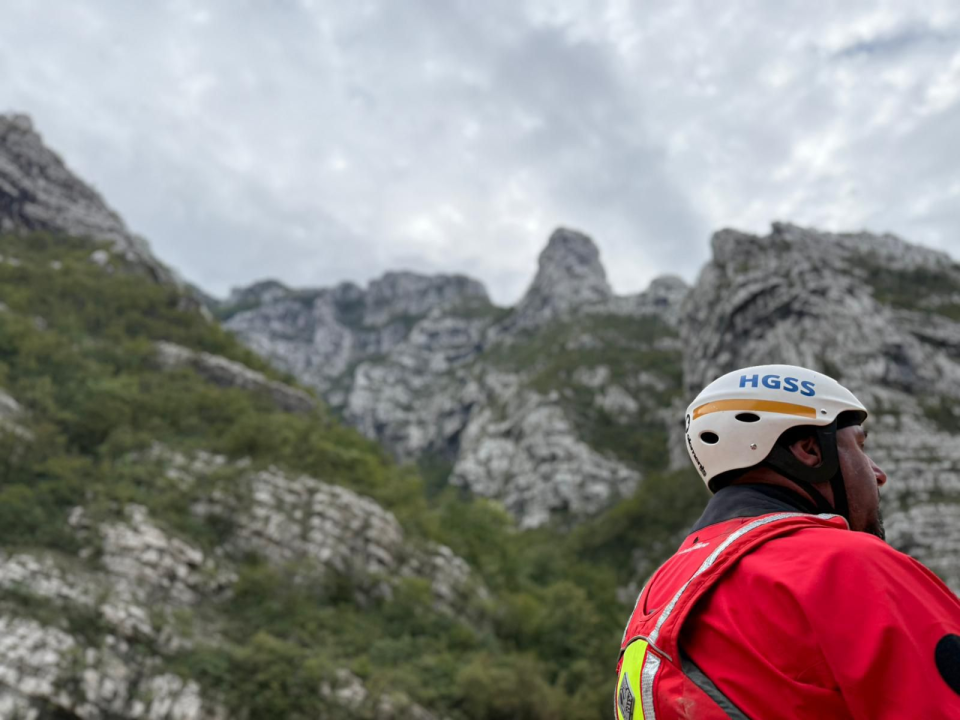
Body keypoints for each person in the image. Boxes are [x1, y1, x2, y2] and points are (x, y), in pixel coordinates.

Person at [614, 364, 960, 720]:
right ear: (810, 450)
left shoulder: (658, 594)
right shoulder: (847, 565)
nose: (878, 473)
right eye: (858, 446)